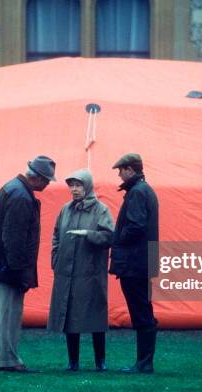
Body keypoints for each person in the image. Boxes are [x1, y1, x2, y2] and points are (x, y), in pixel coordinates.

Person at [0, 155, 56, 373]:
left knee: (2, 313)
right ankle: (8, 360)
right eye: (46, 180)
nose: (47, 185)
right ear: (37, 178)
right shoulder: (22, 197)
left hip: (0, 265)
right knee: (10, 314)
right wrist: (20, 273)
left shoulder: (13, 188)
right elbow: (14, 239)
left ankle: (2, 357)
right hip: (9, 267)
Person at [47, 169, 114, 372]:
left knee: (95, 317)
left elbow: (109, 236)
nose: (74, 189)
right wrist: (56, 259)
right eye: (72, 185)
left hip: (90, 273)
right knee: (69, 317)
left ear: (88, 186)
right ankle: (73, 362)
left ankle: (100, 362)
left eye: (78, 185)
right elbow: (56, 236)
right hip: (67, 272)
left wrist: (89, 234)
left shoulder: (101, 210)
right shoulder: (65, 210)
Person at [109, 153, 159, 374]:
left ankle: (144, 363)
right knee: (143, 310)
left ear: (130, 169)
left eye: (121, 170)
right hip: (141, 262)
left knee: (141, 313)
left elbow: (136, 226)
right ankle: (144, 362)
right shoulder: (144, 190)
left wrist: (117, 238)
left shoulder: (137, 192)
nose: (119, 174)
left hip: (134, 263)